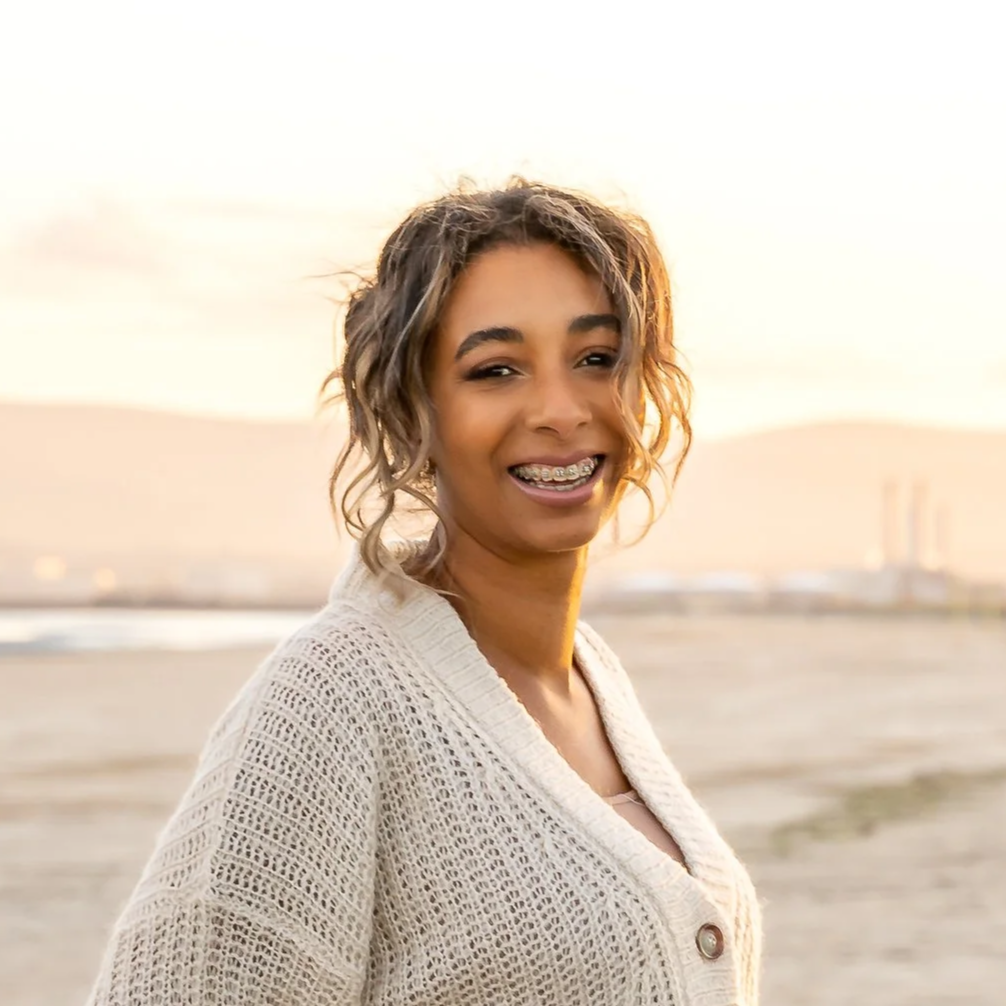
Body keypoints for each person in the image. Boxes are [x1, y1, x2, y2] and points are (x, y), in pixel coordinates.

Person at [87, 178, 762, 1005]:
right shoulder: (335, 695)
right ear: (415, 413)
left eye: (597, 358)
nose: (559, 409)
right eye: (496, 369)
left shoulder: (591, 678)